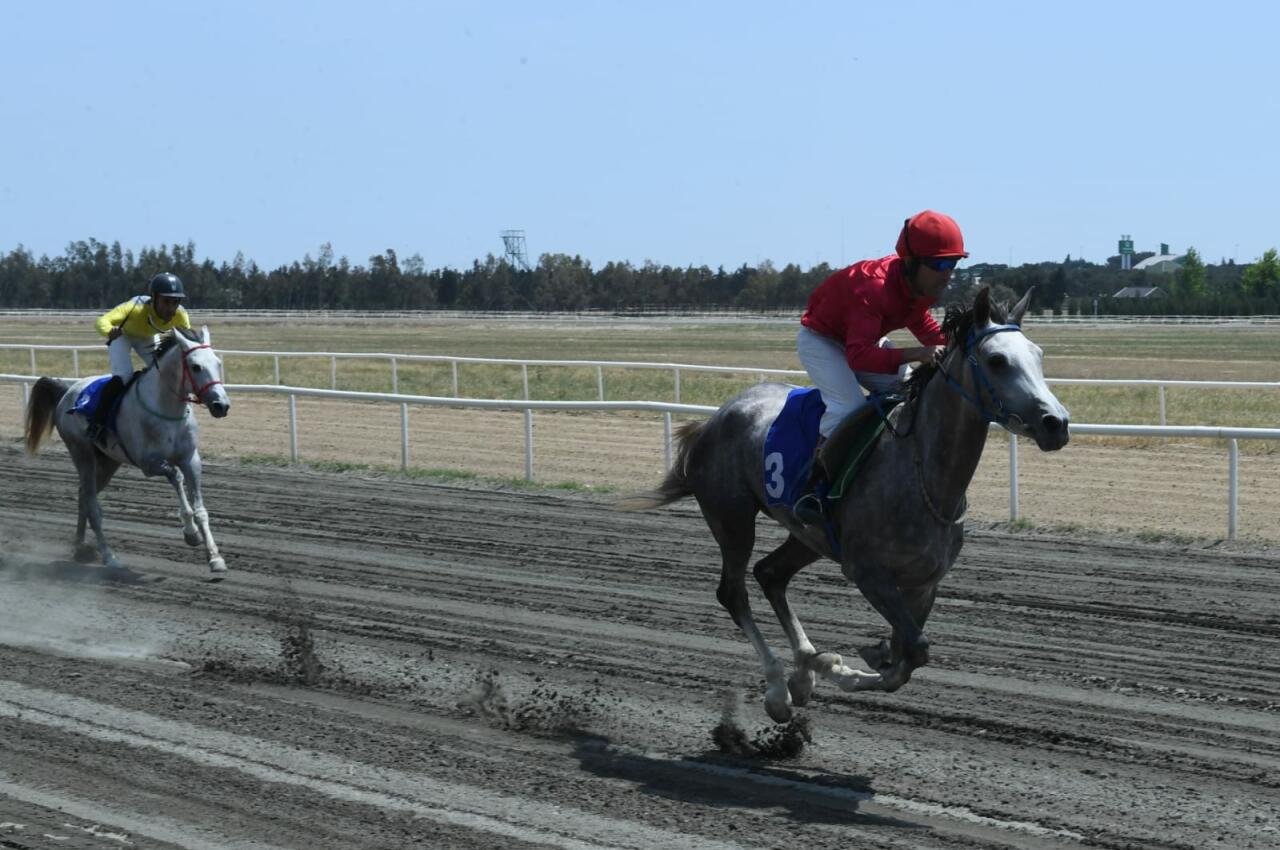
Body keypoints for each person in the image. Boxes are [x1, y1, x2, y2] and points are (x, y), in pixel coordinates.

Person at [791, 210, 967, 524]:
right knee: (847, 407)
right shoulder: (874, 288)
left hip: (861, 339)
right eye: (939, 265)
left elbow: (922, 324)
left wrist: (960, 346)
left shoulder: (920, 286)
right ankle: (813, 486)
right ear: (911, 262)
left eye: (953, 263)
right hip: (822, 341)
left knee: (912, 392)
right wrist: (918, 353)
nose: (947, 274)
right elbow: (859, 357)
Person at [85, 272, 193, 440]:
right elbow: (101, 321)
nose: (171, 309)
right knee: (124, 376)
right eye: (166, 302)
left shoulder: (180, 315)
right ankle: (97, 422)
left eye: (175, 302)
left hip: (147, 337)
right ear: (154, 298)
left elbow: (188, 340)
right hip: (122, 336)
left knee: (163, 372)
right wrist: (109, 331)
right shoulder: (134, 308)